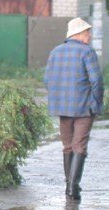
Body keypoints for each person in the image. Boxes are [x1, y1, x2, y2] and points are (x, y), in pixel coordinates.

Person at [43, 17, 104, 200]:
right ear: (78, 34)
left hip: (62, 107)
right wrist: (96, 103)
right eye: (87, 32)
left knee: (67, 146)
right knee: (79, 145)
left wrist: (59, 97)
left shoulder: (55, 52)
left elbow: (47, 80)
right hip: (84, 107)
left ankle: (68, 185)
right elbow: (97, 81)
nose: (90, 36)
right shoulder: (87, 52)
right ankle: (73, 186)